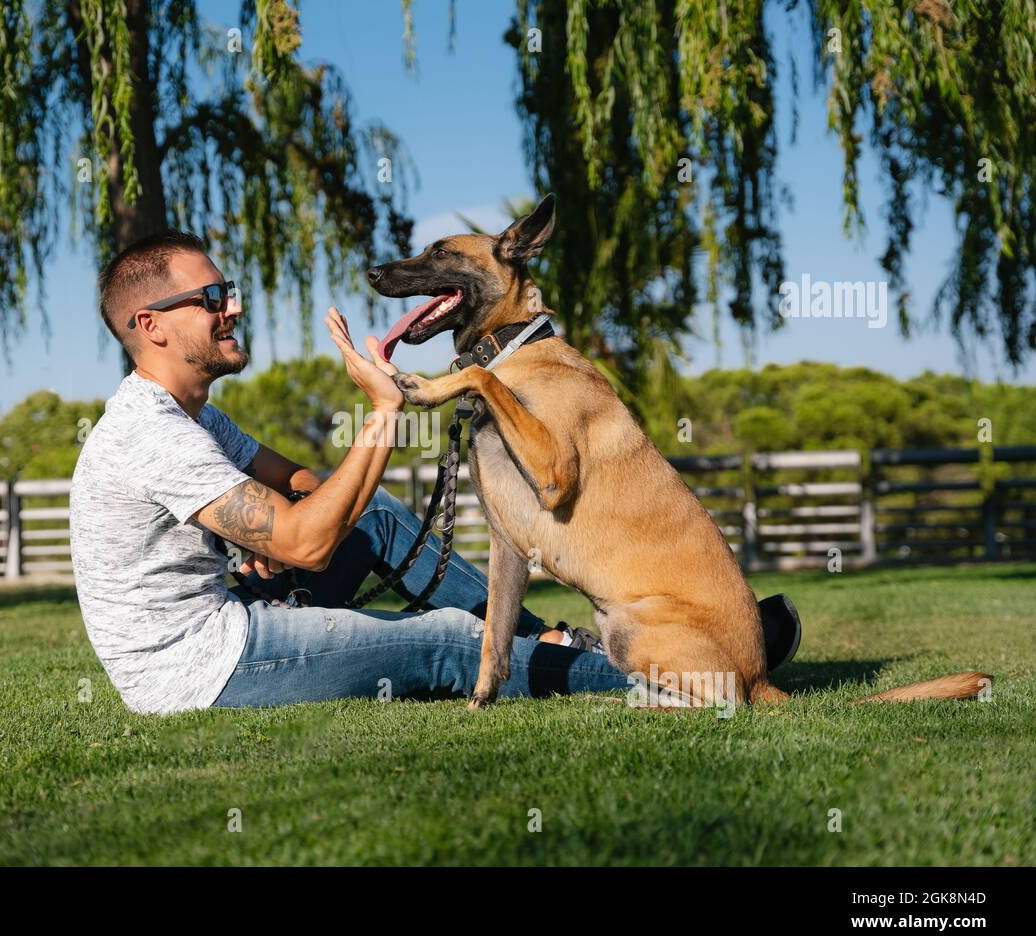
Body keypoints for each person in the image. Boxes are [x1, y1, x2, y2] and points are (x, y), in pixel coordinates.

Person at [69, 231, 801, 714]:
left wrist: (260, 534)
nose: (231, 307)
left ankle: (546, 640)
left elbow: (297, 486)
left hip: (232, 604)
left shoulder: (198, 416)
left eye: (227, 291)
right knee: (452, 638)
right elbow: (307, 545)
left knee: (377, 514)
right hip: (199, 666)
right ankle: (693, 673)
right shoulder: (149, 431)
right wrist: (383, 412)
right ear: (151, 325)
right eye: (210, 299)